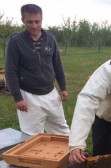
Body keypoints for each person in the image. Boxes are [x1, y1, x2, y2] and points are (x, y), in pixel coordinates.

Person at [5, 4, 70, 136]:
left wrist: (63, 87)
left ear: (42, 19)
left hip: (51, 93)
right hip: (29, 96)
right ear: (22, 20)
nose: (34, 26)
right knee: (32, 136)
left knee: (61, 129)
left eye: (37, 21)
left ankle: (70, 155)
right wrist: (18, 98)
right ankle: (37, 157)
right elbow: (10, 71)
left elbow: (57, 65)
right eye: (29, 22)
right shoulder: (15, 41)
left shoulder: (50, 39)